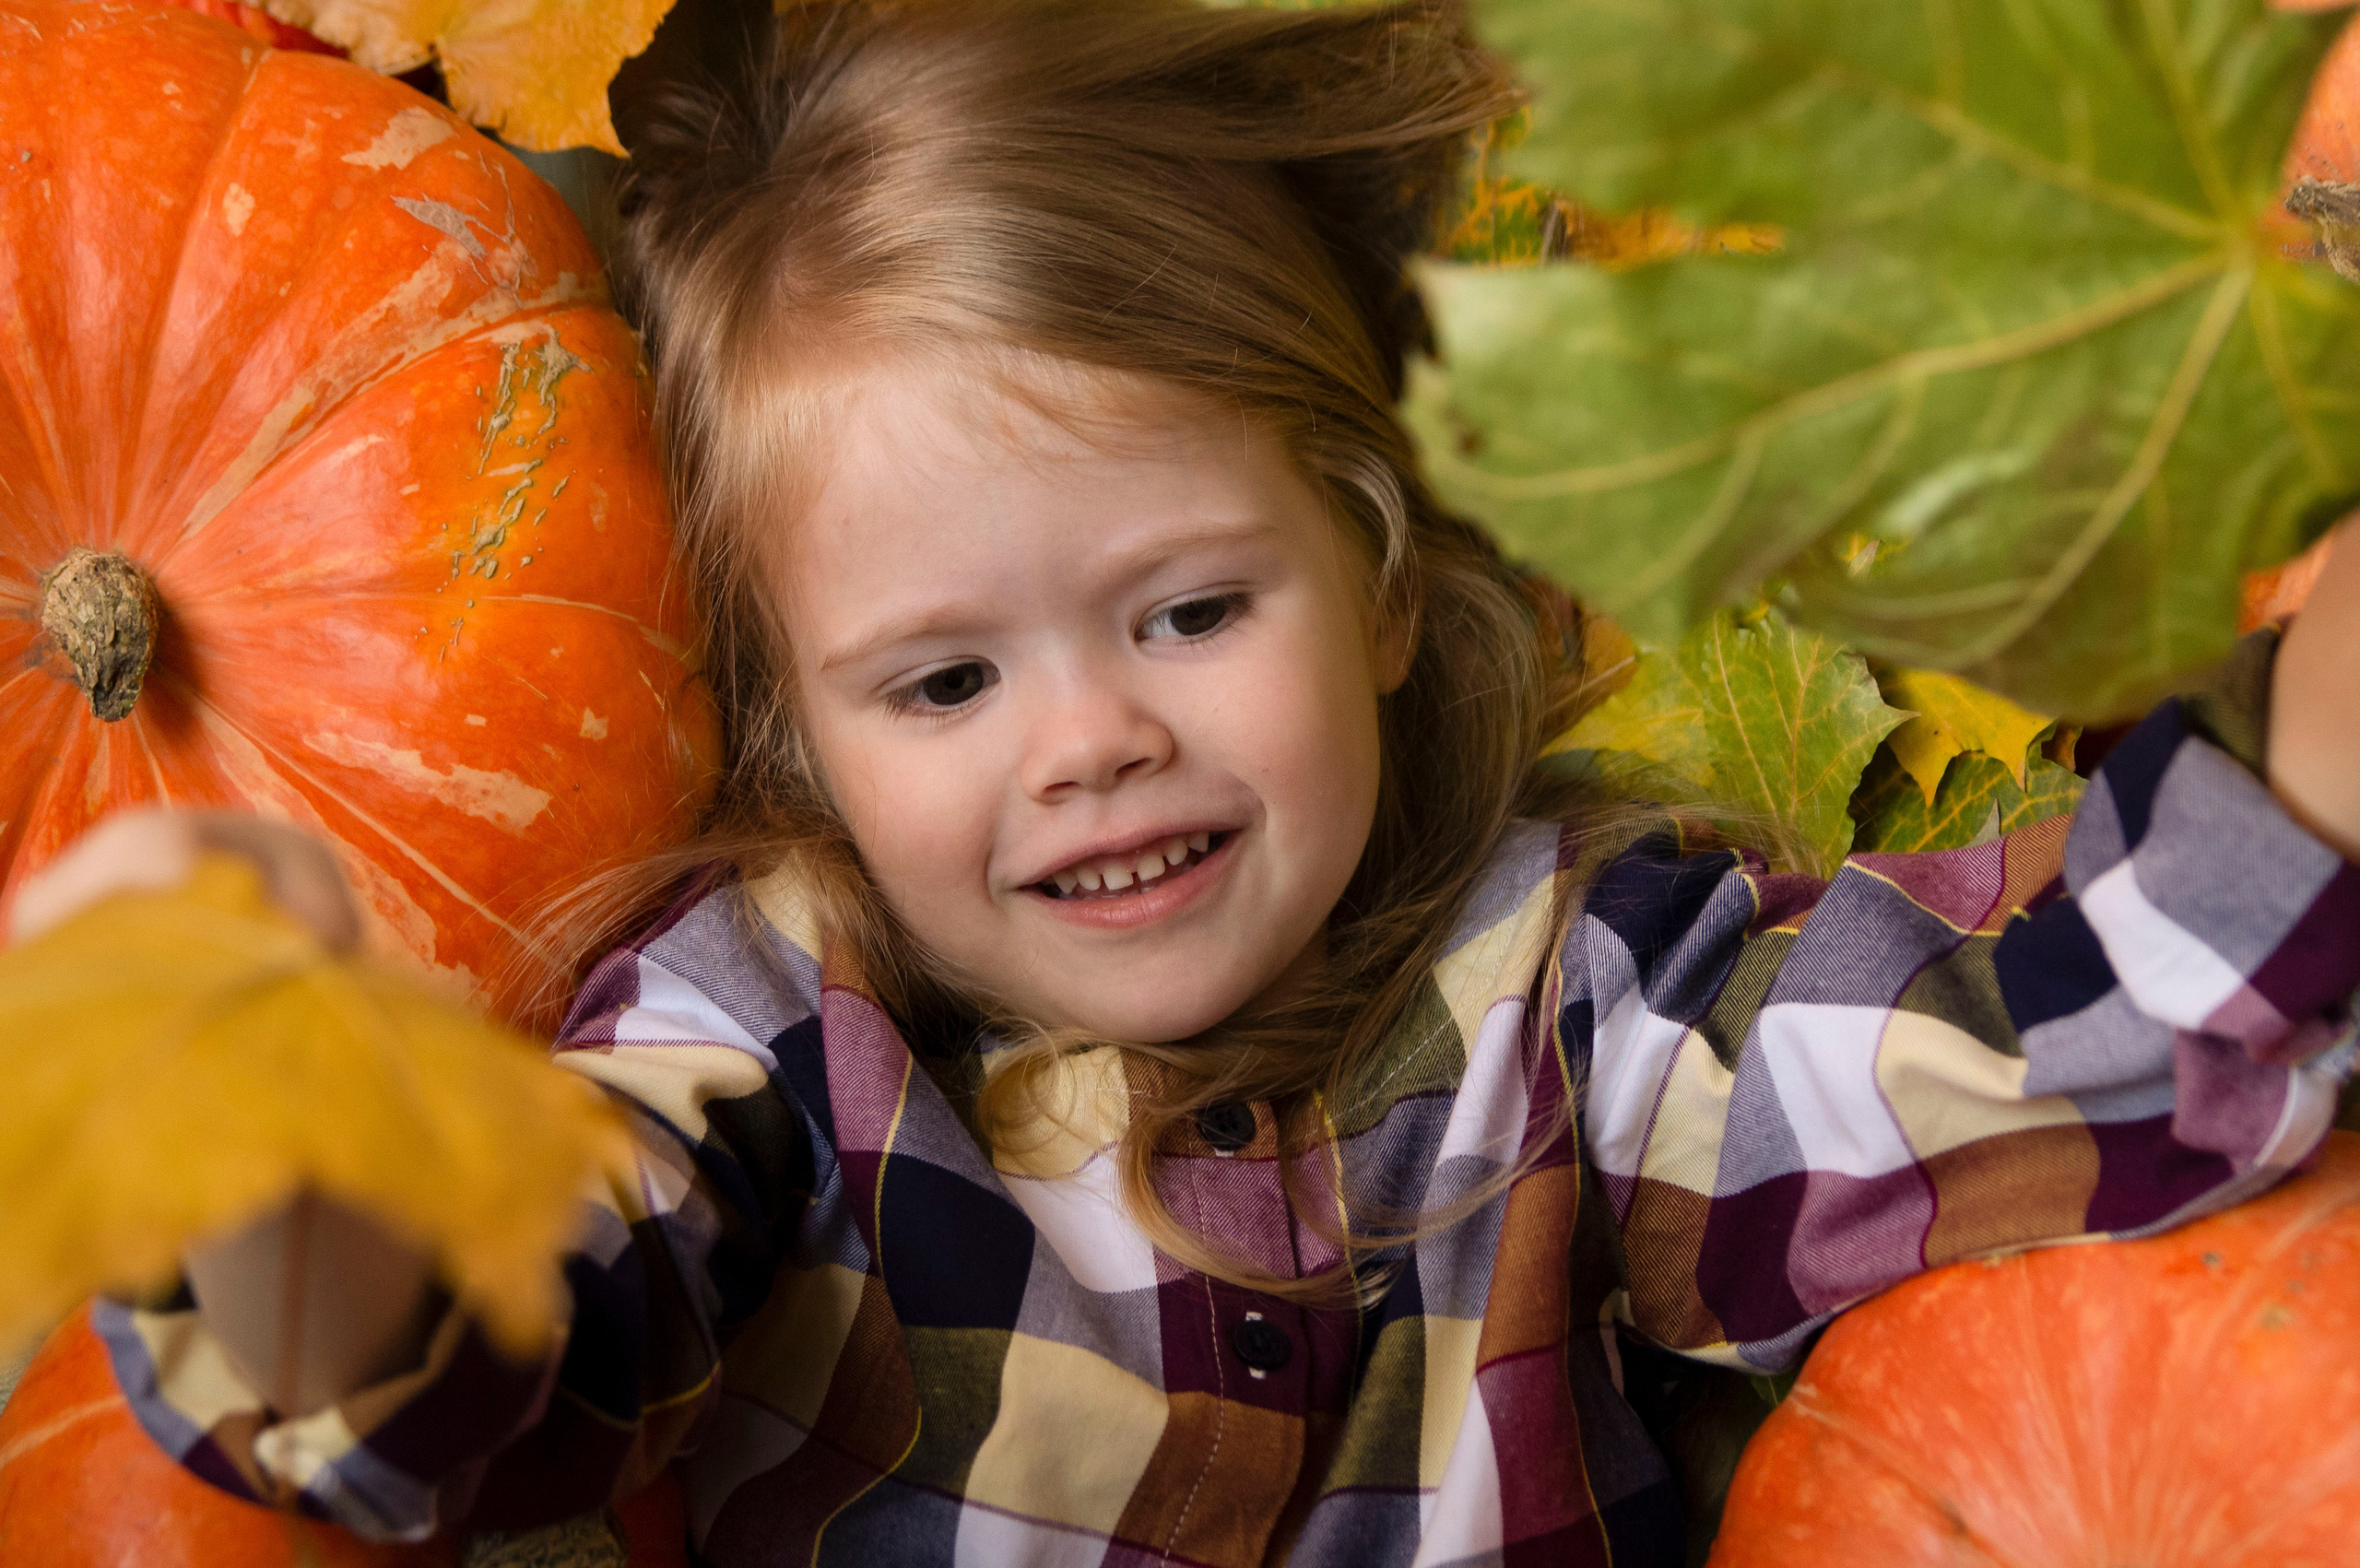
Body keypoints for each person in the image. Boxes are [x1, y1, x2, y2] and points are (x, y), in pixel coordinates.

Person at [19, 1, 2360, 1562]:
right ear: (796, 726)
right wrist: (285, 1170)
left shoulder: (1572, 1002)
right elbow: (471, 1383)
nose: (1088, 737)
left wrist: (2317, 733)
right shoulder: (753, 1051)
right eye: (937, 681)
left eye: (1185, 610)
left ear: (1367, 563)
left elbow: (2036, 1057)